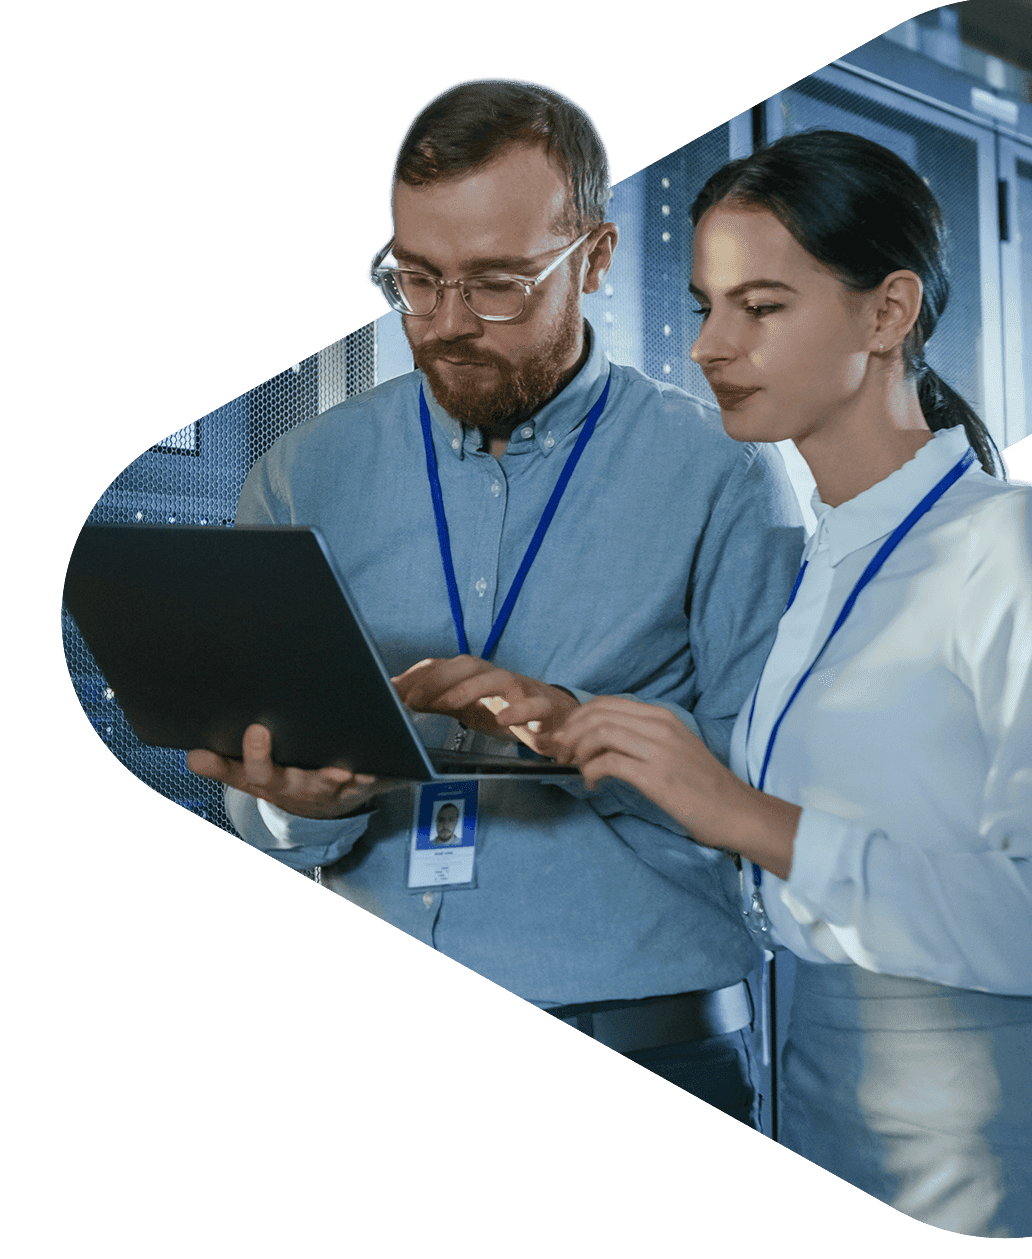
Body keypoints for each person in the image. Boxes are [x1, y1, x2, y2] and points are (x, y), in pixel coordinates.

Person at [543, 130, 1032, 1236]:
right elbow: (829, 819)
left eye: (761, 307)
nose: (706, 347)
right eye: (703, 305)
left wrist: (741, 812)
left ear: (886, 315)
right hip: (808, 1092)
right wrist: (586, 733)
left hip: (991, 1141)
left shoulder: (1024, 541)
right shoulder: (818, 561)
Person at [185, 79, 804, 1127]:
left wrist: (579, 732)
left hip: (641, 1043)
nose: (446, 325)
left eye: (497, 285)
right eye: (416, 279)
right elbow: (262, 802)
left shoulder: (724, 476)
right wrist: (289, 801)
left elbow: (784, 790)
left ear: (596, 259)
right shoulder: (301, 475)